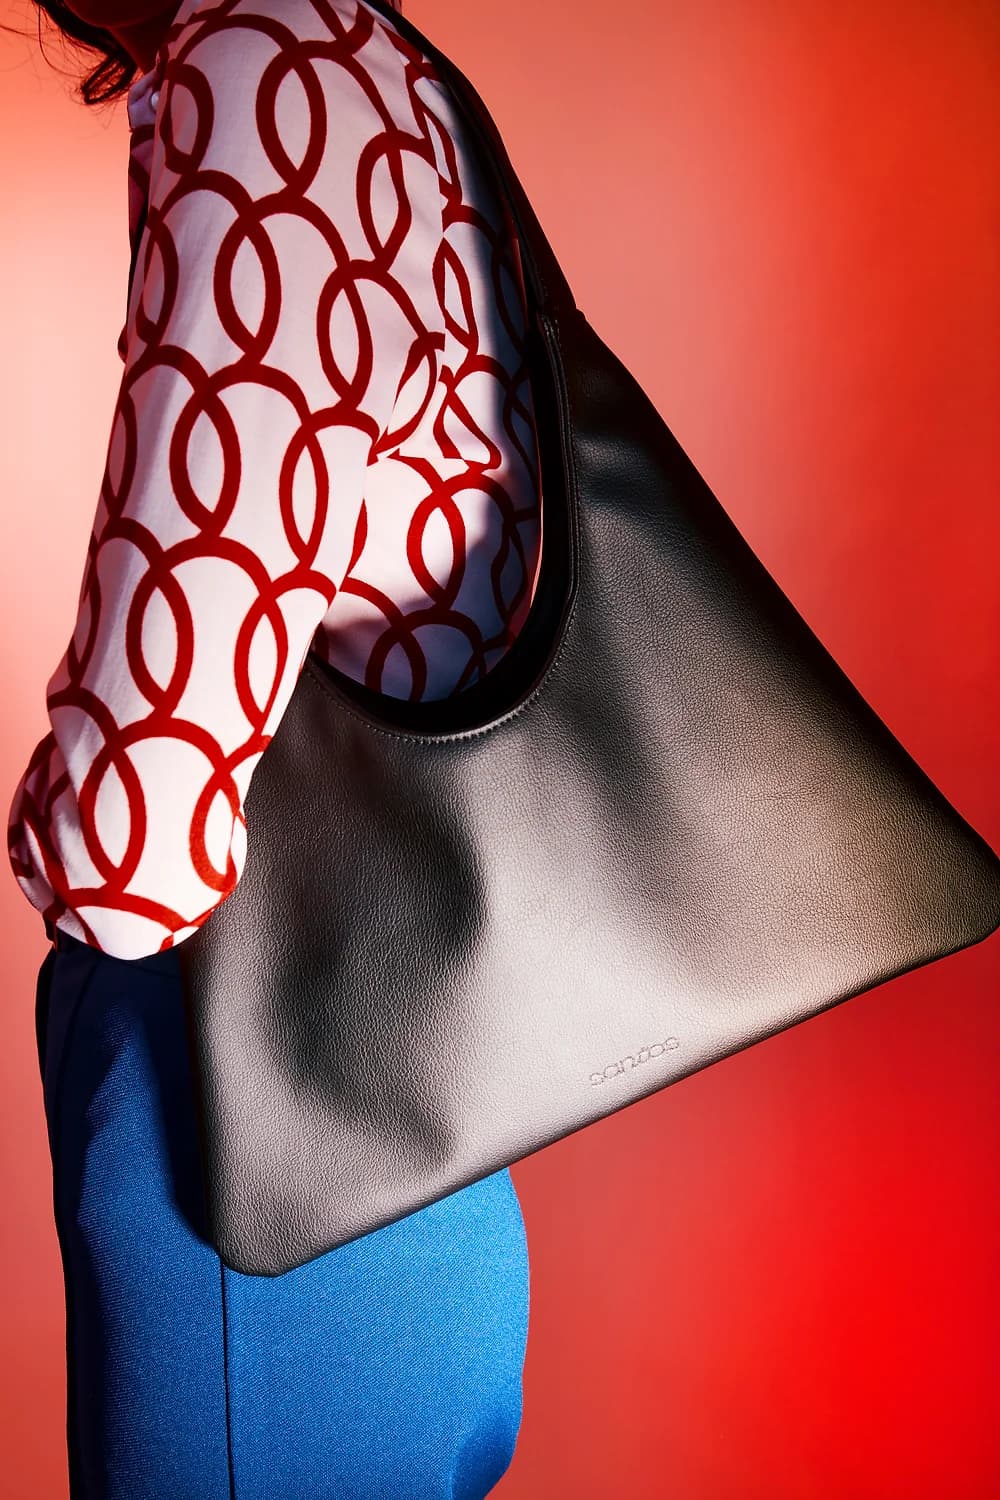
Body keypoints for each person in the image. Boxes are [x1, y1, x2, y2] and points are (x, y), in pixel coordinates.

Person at [7, 0, 542, 1493]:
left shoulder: (257, 67)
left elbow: (132, 846)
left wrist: (46, 834)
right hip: (423, 1122)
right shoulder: (383, 61)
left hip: (256, 1155)